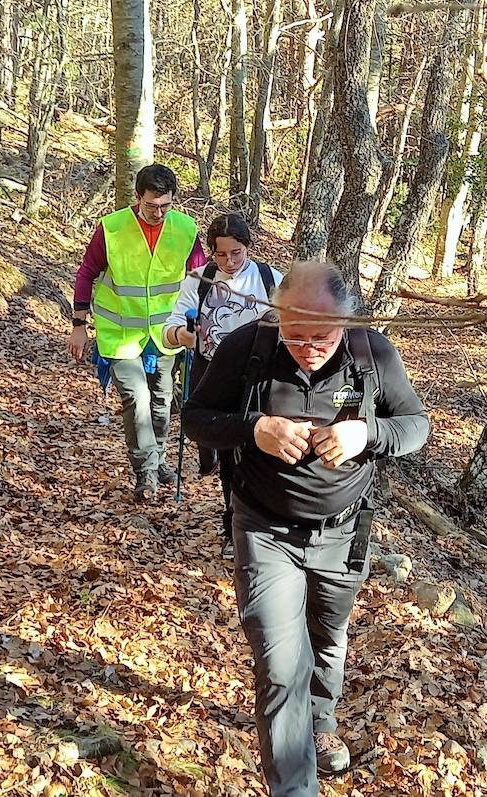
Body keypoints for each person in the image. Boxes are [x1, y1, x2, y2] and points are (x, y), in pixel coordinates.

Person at [182, 261, 429, 797]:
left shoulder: (373, 355)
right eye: (294, 335)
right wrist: (256, 428)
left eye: (323, 336)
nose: (309, 347)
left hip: (344, 533)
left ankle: (321, 718)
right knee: (279, 662)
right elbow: (195, 416)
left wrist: (366, 433)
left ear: (348, 322)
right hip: (264, 528)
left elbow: (416, 426)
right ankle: (295, 788)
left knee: (328, 638)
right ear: (276, 316)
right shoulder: (248, 347)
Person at [68, 163, 207, 504]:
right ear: (137, 197)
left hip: (167, 335)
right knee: (137, 400)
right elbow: (87, 273)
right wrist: (79, 326)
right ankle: (145, 472)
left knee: (163, 401)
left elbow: (202, 278)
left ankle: (158, 460)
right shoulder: (112, 229)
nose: (158, 213)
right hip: (120, 333)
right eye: (151, 206)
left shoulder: (186, 229)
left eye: (165, 206)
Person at [163, 212, 282, 551]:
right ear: (211, 251)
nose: (229, 261)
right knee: (229, 454)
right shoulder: (198, 281)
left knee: (257, 451)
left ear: (248, 247)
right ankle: (233, 526)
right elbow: (168, 330)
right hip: (214, 378)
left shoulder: (271, 280)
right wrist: (185, 336)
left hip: (260, 381)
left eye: (236, 253)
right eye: (220, 254)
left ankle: (260, 521)